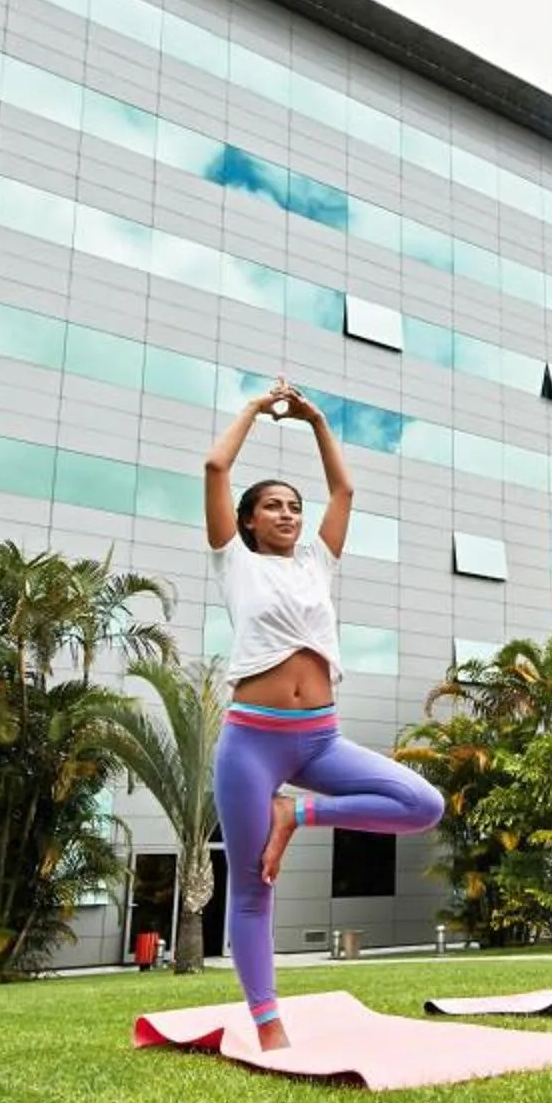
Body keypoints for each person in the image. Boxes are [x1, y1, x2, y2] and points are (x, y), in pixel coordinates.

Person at [204, 378, 444, 1048]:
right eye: (272, 506)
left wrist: (315, 420)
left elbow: (344, 490)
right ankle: (268, 1024)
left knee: (422, 804)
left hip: (319, 739)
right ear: (248, 520)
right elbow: (216, 467)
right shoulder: (234, 562)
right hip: (252, 743)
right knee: (253, 887)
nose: (287, 514)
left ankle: (296, 814)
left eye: (293, 506)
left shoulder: (316, 562)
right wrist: (256, 408)